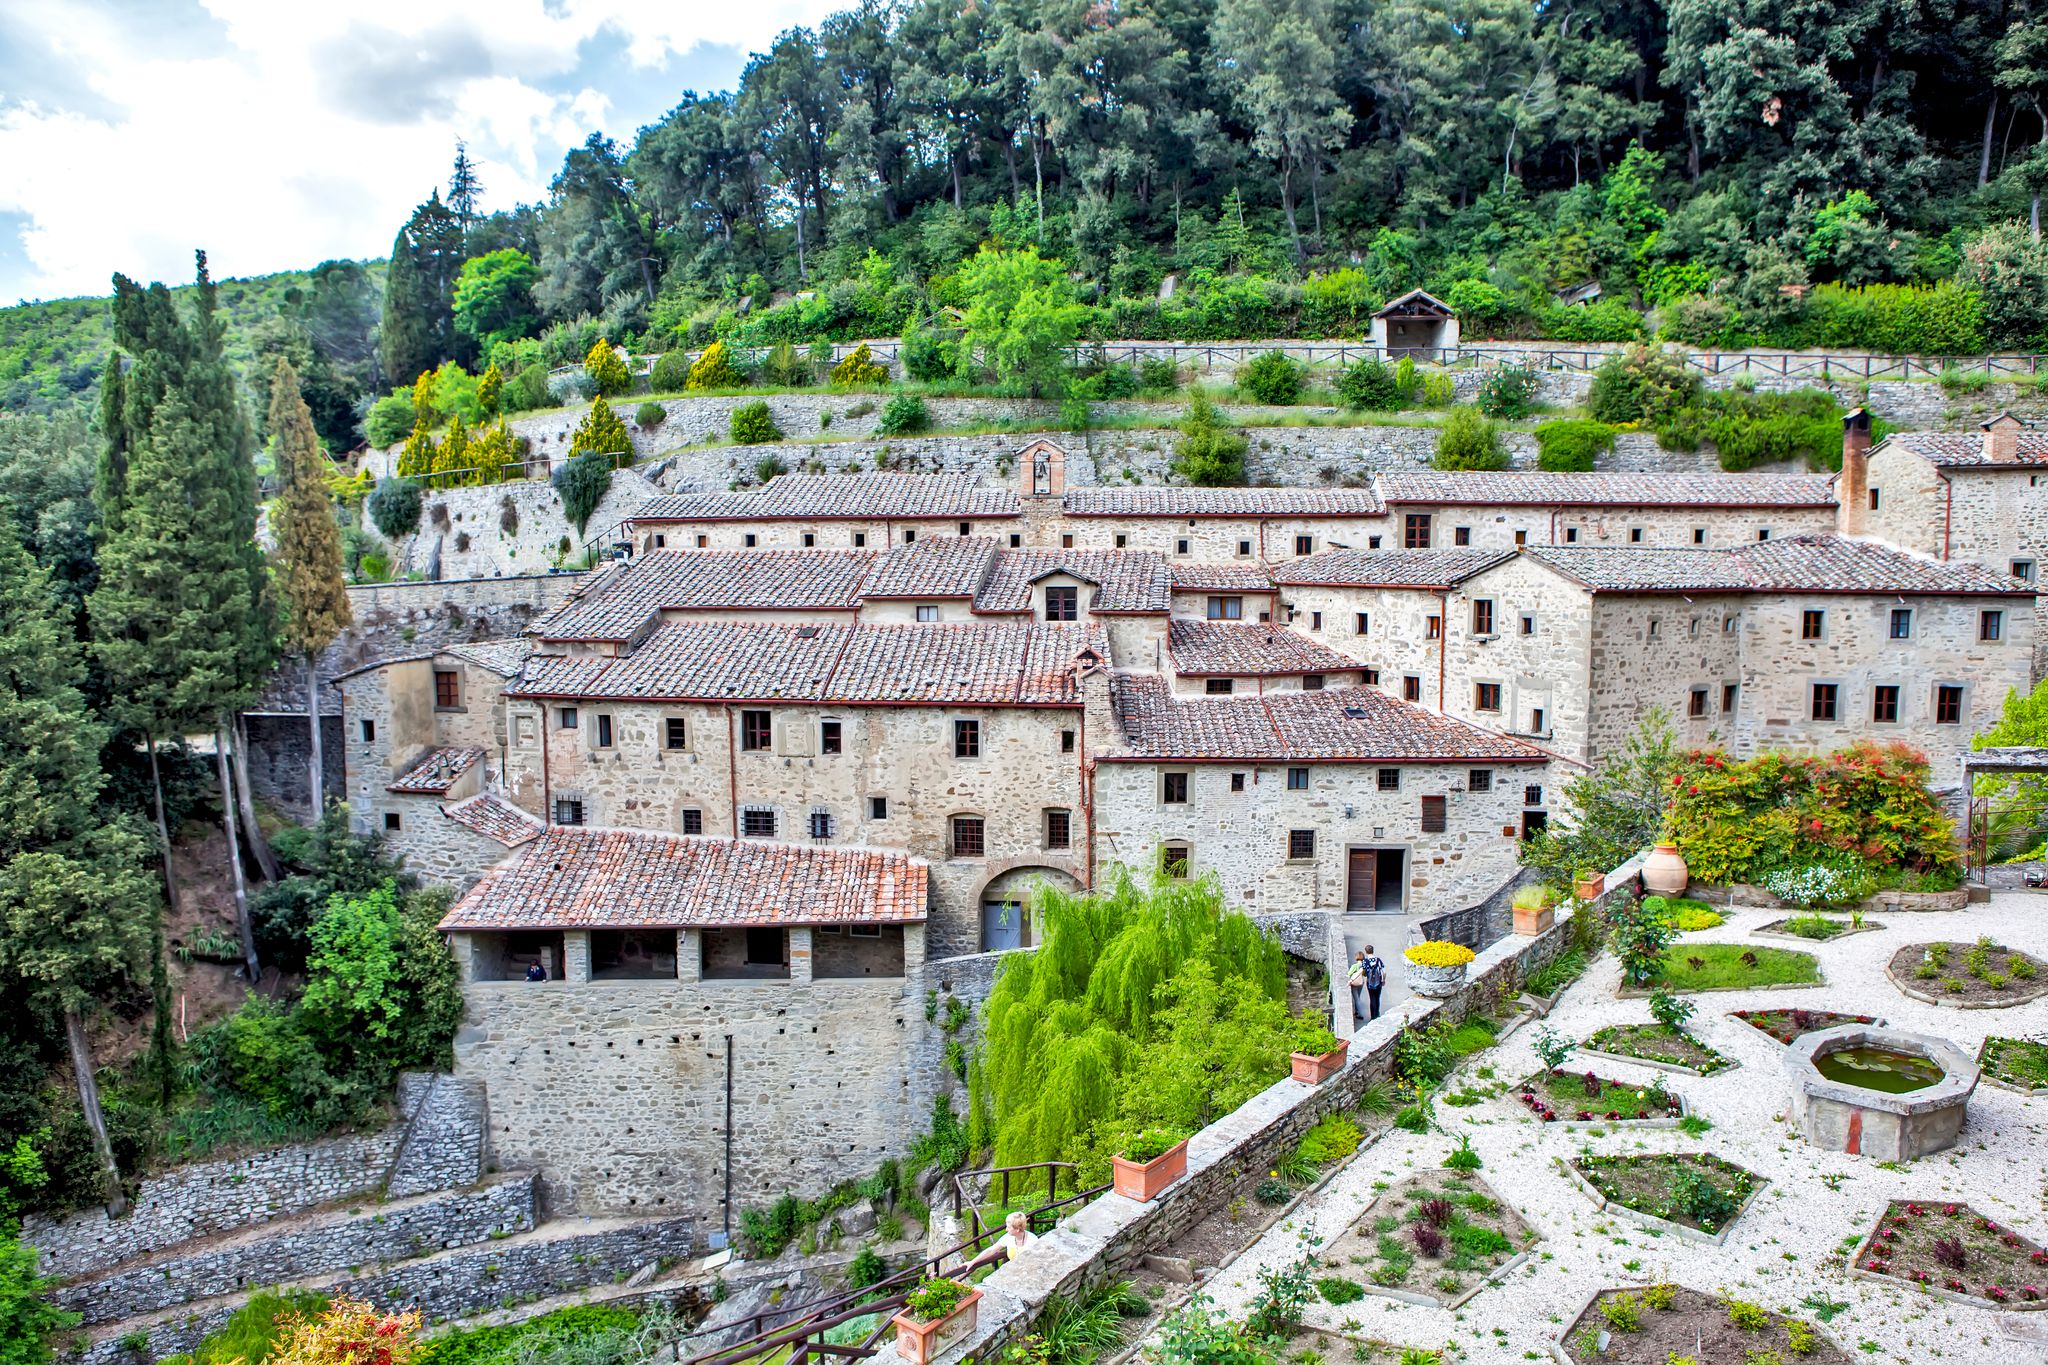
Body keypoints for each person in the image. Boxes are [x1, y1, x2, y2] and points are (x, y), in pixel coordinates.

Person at [1360, 945, 1386, 1021]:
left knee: (1372, 998)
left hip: (1370, 982)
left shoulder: (1365, 961)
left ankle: (1373, 1016)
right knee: (1377, 998)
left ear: (1366, 951)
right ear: (1373, 950)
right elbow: (1384, 972)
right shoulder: (1378, 960)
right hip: (1378, 982)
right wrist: (1383, 980)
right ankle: (1377, 1014)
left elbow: (1363, 971)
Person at [1347, 951, 1367, 1022]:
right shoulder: (1364, 965)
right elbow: (1365, 975)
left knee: (1356, 999)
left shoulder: (1355, 966)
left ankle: (1360, 1014)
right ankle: (1357, 1011)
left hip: (1355, 983)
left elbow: (1349, 973)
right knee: (1358, 996)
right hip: (1361, 982)